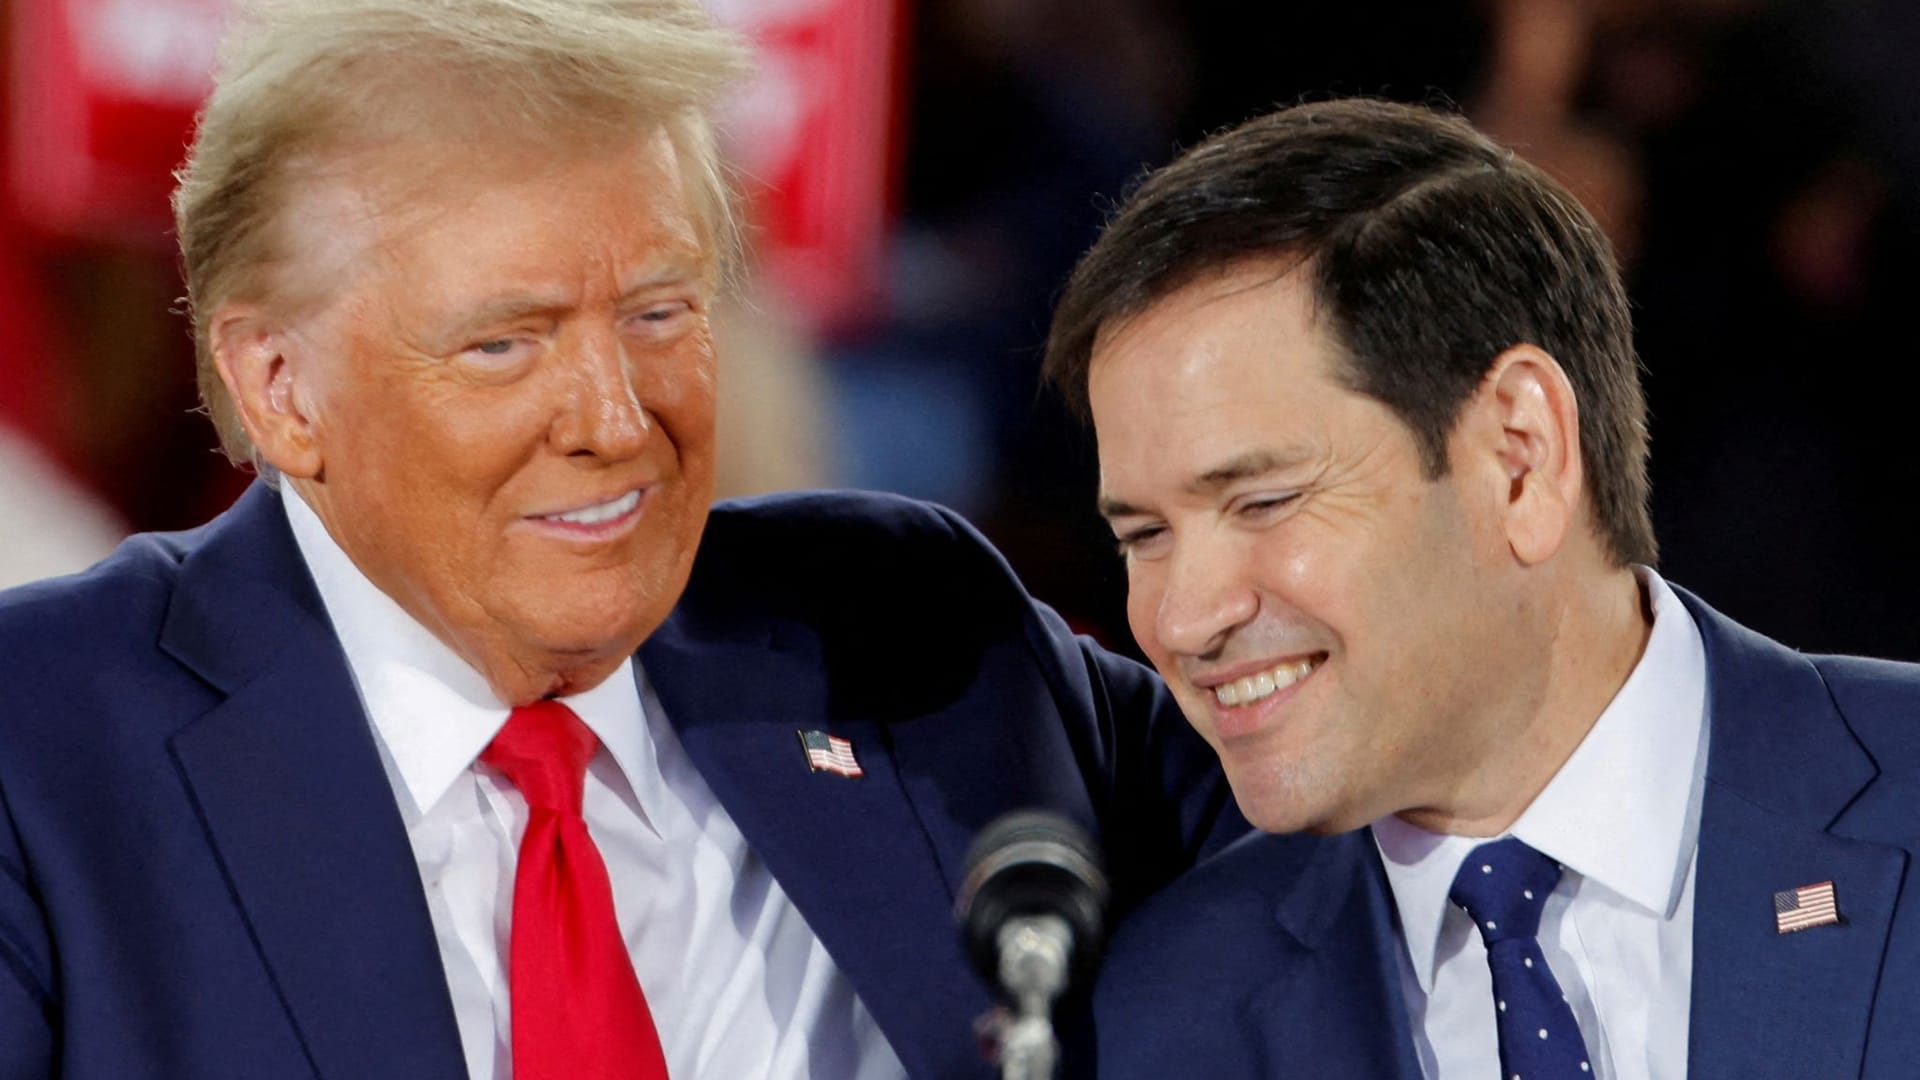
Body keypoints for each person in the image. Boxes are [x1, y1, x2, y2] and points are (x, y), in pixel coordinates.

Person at [0, 3, 1239, 1078]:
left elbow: (1350, 815)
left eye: (659, 313)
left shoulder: (906, 637)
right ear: (280, 388)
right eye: (505, 343)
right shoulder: (43, 749)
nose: (613, 418)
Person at [1043, 96, 1920, 1079]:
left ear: (1519, 456)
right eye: (1144, 535)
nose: (1182, 617)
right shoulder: (1164, 1019)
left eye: (1263, 500)